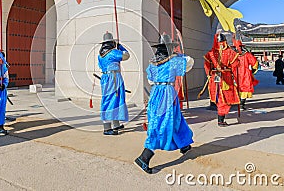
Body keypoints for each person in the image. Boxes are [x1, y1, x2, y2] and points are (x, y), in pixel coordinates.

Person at [134, 34, 194, 174]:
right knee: (162, 124)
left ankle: (184, 144)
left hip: (155, 92)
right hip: (167, 93)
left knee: (176, 120)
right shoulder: (174, 60)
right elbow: (190, 62)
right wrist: (180, 55)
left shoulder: (152, 64)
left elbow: (150, 81)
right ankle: (144, 157)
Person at [204, 33, 240, 127]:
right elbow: (235, 65)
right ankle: (221, 119)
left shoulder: (226, 52)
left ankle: (220, 117)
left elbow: (207, 66)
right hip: (221, 78)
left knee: (222, 98)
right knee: (223, 99)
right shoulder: (215, 53)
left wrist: (209, 74)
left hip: (221, 78)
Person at [98, 32, 130, 135]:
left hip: (106, 78)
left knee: (113, 99)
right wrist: (121, 47)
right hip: (114, 78)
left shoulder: (100, 55)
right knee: (112, 99)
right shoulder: (113, 52)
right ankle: (107, 128)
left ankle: (116, 124)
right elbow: (126, 56)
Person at [233, 39, 259, 110]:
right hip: (245, 74)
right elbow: (255, 63)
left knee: (237, 88)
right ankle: (241, 104)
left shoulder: (232, 55)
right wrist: (253, 70)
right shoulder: (247, 54)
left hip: (236, 74)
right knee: (244, 88)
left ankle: (238, 103)